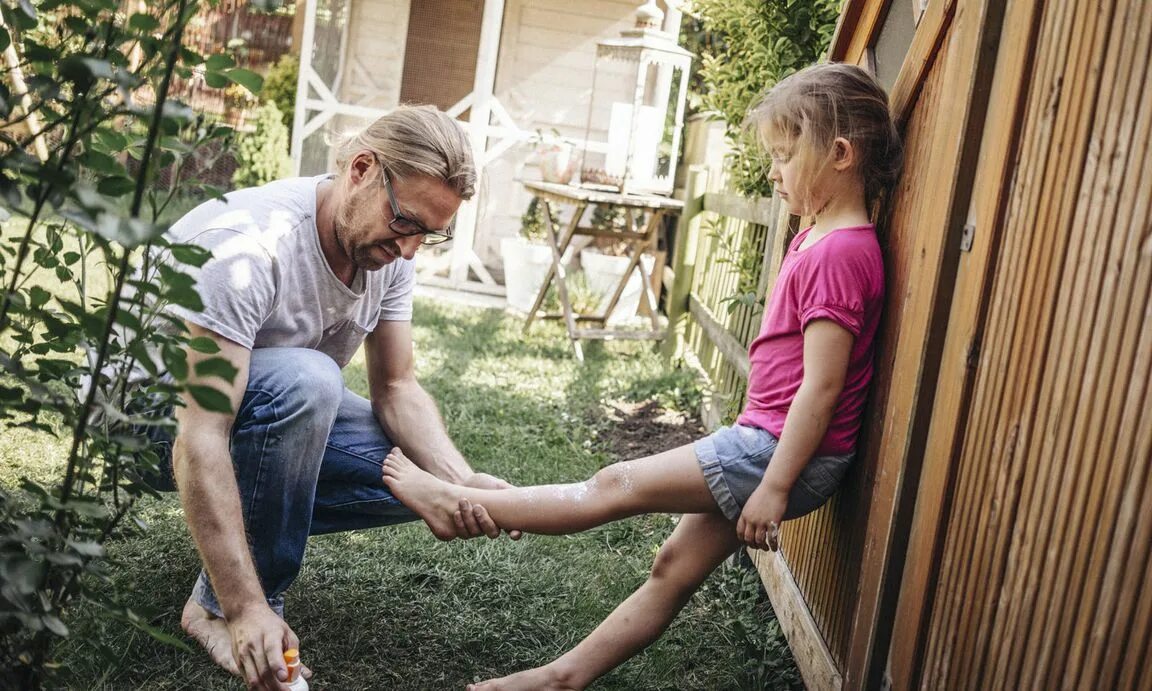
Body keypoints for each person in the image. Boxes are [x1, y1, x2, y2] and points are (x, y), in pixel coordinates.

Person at [382, 63, 902, 691]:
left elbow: (821, 390)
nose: (773, 173)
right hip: (771, 444)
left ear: (840, 154)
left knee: (613, 484)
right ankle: (561, 679)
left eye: (787, 156)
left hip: (778, 452)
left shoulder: (844, 253)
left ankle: (458, 501)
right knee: (673, 568)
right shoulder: (821, 236)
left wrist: (775, 486)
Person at [147, 105, 516, 690]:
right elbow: (201, 432)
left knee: (417, 475)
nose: (412, 248)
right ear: (363, 169)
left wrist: (457, 480)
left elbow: (397, 387)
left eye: (430, 233)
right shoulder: (248, 248)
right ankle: (223, 607)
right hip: (145, 418)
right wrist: (247, 608)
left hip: (257, 411)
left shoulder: (387, 250)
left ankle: (233, 551)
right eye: (406, 222)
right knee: (310, 380)